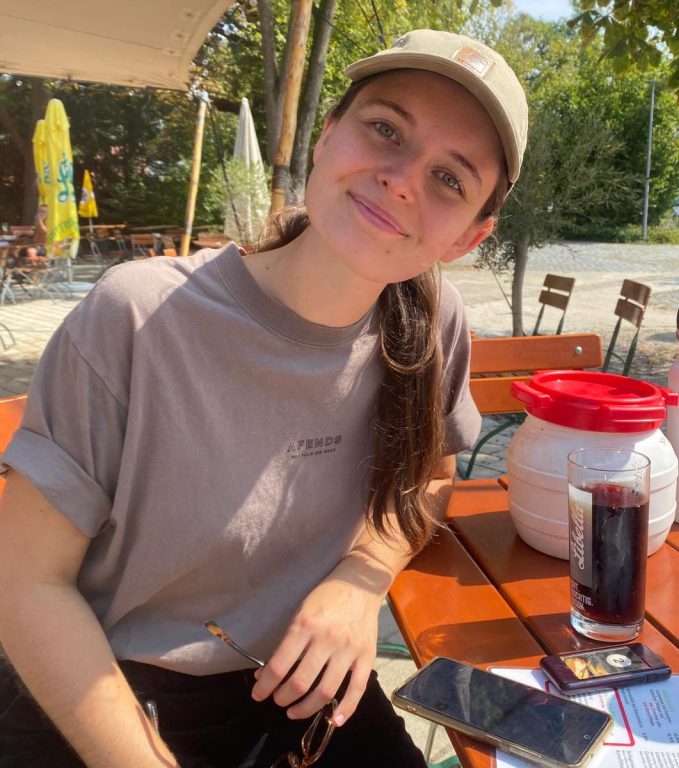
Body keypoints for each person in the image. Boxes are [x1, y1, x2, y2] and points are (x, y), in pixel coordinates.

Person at [0, 28, 527, 768]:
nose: (403, 179)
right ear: (327, 134)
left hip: (298, 688)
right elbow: (26, 581)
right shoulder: (139, 315)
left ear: (469, 237)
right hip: (104, 688)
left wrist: (360, 580)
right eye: (385, 129)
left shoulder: (432, 325)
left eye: (450, 178)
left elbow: (433, 477)